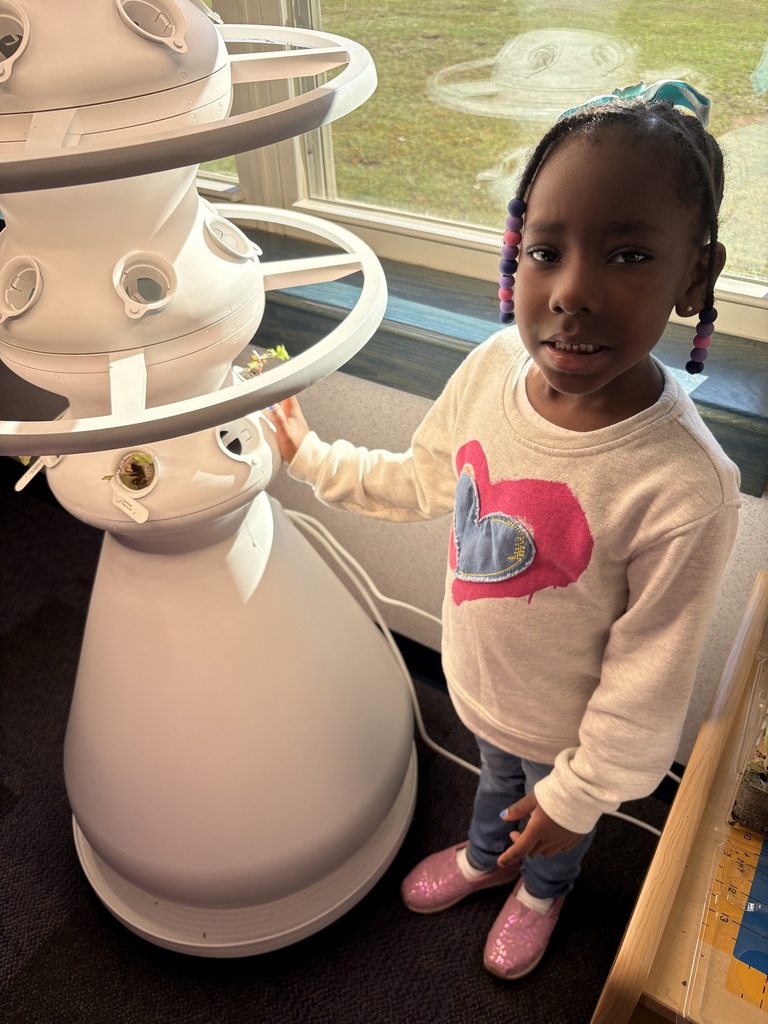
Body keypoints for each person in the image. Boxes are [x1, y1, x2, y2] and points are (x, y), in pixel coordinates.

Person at [266, 81, 741, 981]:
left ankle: (541, 892)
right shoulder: (490, 366)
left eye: (629, 254)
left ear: (694, 277)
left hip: (576, 739)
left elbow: (647, 683)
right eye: (544, 251)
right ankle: (489, 862)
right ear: (512, 258)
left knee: (550, 826)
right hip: (483, 690)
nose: (572, 293)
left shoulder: (685, 487)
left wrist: (581, 793)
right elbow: (422, 480)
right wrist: (310, 454)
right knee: (494, 788)